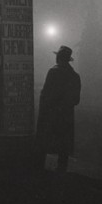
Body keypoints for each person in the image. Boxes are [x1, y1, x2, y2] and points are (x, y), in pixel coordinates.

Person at [34, 45, 81, 173]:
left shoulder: (53, 72)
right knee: (64, 143)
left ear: (59, 58)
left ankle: (39, 167)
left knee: (45, 139)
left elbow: (46, 95)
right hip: (66, 115)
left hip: (51, 113)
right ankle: (61, 168)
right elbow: (76, 100)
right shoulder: (75, 76)